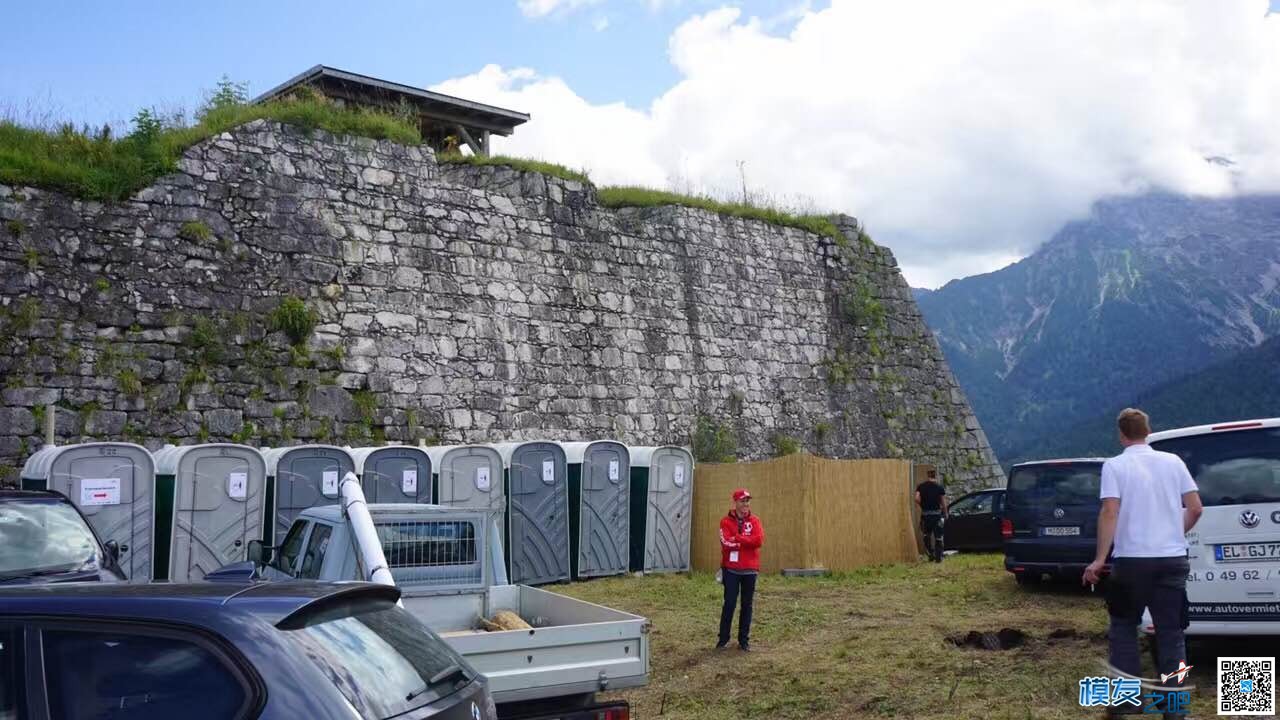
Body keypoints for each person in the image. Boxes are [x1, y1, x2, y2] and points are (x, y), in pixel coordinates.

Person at [1083, 408, 1202, 718]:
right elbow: (1196, 508)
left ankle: (1126, 703)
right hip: (1172, 560)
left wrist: (1098, 560)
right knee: (1172, 636)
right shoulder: (1173, 462)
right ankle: (1175, 711)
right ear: (1148, 431)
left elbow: (1110, 511)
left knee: (1123, 630)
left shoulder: (1115, 466)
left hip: (1131, 563)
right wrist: (1175, 533)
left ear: (1121, 435)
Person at [718, 488, 764, 651]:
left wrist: (738, 538)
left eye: (747, 501)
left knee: (747, 605)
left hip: (750, 569)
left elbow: (758, 541)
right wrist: (745, 542)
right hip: (731, 569)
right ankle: (723, 639)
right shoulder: (725, 521)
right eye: (742, 501)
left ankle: (743, 641)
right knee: (729, 604)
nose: (746, 504)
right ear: (735, 502)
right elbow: (726, 543)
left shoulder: (755, 521)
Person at [915, 470, 947, 562]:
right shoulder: (939, 487)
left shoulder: (921, 487)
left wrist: (922, 505)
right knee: (938, 537)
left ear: (928, 476)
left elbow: (916, 498)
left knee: (926, 535)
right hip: (937, 516)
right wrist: (945, 513)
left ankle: (930, 554)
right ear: (935, 476)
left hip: (925, 515)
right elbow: (943, 502)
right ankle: (939, 557)